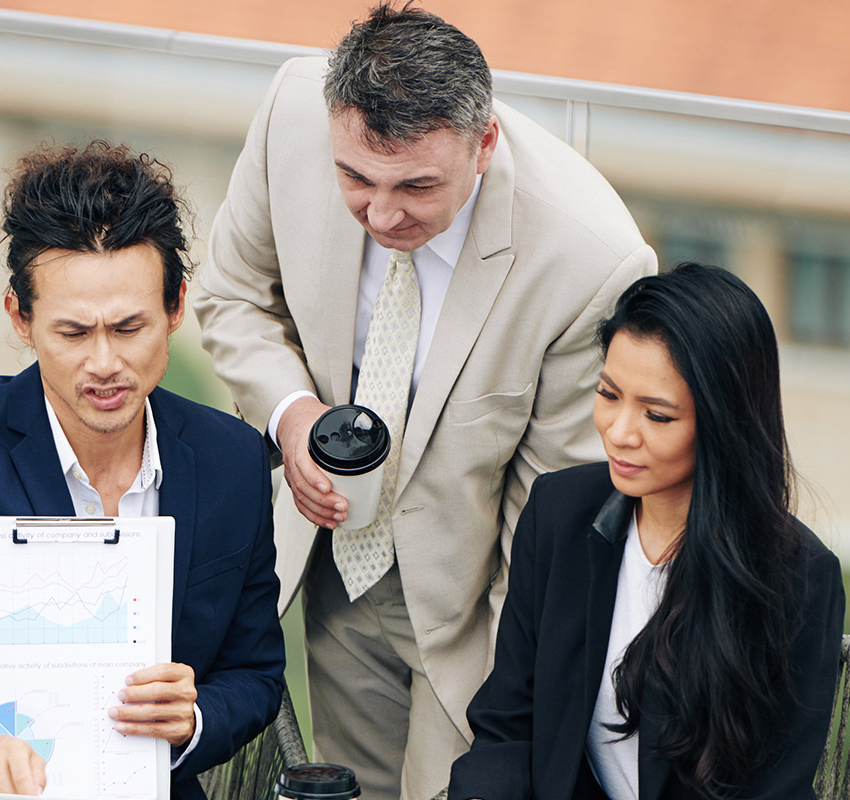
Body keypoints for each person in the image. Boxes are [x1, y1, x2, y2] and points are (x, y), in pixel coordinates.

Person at [193, 4, 656, 797]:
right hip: (332, 563)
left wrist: (509, 703)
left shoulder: (591, 260)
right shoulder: (291, 114)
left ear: (484, 145)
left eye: (416, 186)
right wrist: (293, 415)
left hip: (474, 611)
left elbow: (547, 515)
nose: (381, 215)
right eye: (356, 180)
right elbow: (231, 294)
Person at [0, 141, 286, 800]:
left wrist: (192, 719)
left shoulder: (232, 461)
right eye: (73, 333)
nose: (104, 364)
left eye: (128, 328)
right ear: (21, 319)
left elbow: (255, 673)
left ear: (176, 307)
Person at [448, 263, 845, 800]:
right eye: (609, 394)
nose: (619, 432)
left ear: (724, 422)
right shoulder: (559, 513)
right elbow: (508, 723)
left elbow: (774, 789)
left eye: (657, 416)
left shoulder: (797, 576)